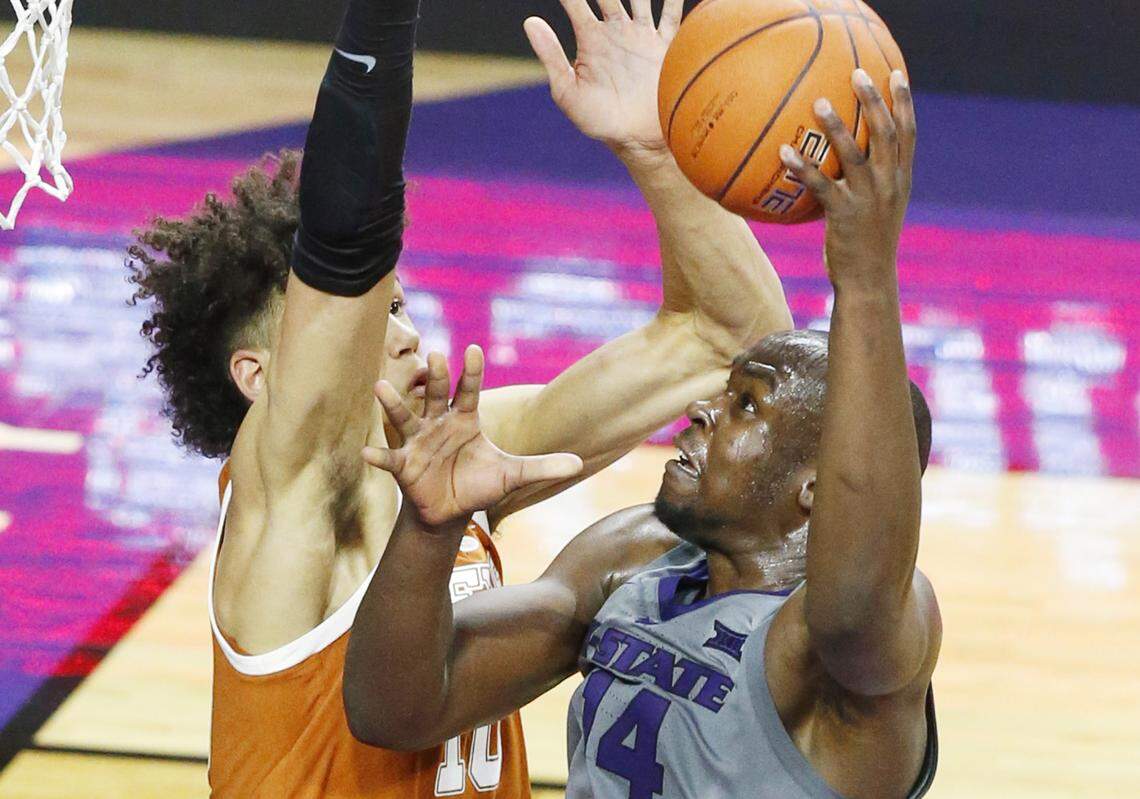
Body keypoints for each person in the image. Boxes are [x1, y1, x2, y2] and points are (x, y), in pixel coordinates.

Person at [127, 0, 792, 795]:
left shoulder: (457, 452)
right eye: (375, 316)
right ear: (260, 377)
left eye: (401, 307)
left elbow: (731, 341)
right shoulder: (289, 500)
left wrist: (656, 151)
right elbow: (345, 246)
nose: (406, 333)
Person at [343, 68, 940, 799]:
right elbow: (395, 708)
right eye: (722, 393)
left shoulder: (856, 638)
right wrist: (430, 528)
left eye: (748, 406)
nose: (702, 412)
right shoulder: (632, 559)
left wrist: (867, 278)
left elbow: (854, 593)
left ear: (815, 486)